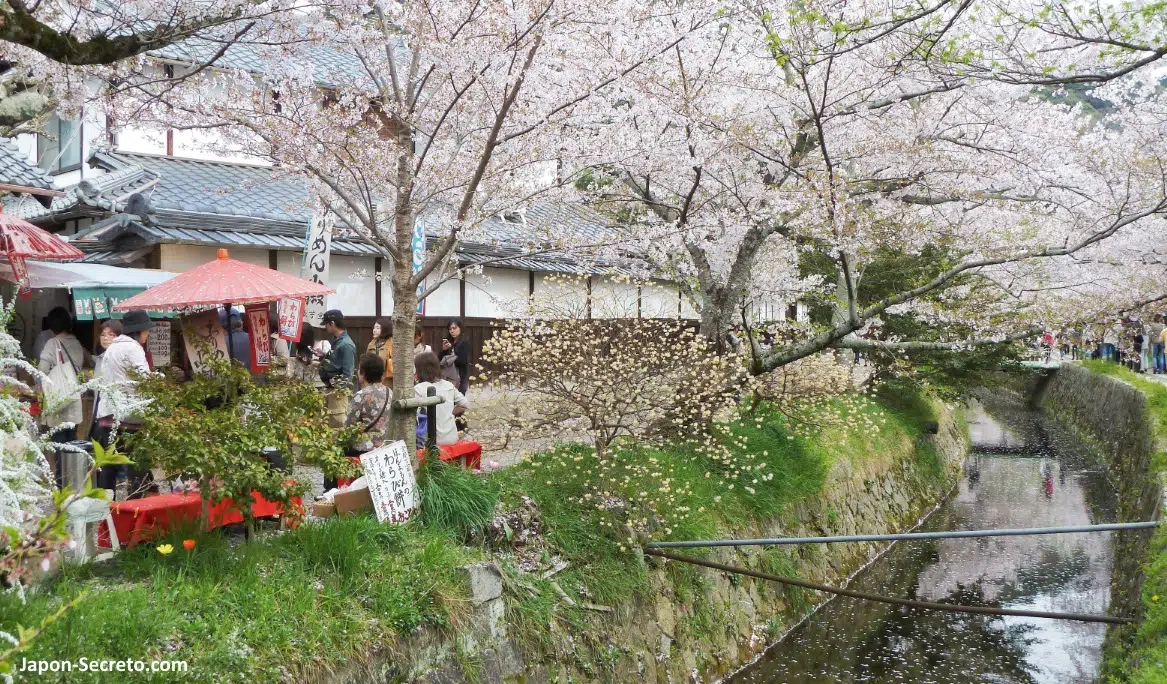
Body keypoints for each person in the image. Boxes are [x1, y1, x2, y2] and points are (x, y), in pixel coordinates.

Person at [93, 310, 154, 497]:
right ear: (140, 330)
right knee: (136, 467)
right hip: (129, 417)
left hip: (107, 416)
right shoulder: (133, 348)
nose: (148, 334)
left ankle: (104, 511)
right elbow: (144, 380)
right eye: (147, 330)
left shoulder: (112, 348)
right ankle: (136, 510)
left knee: (108, 467)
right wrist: (160, 378)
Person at [38, 306, 92, 444]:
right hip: (74, 397)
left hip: (58, 400)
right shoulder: (77, 343)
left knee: (58, 442)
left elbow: (41, 371)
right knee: (72, 441)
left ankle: (60, 466)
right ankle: (71, 466)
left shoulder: (52, 343)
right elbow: (90, 361)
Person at [414, 351, 468, 445]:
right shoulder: (448, 385)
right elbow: (465, 404)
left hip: (431, 441)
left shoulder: (418, 389)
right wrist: (450, 413)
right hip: (452, 437)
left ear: (419, 370)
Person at [345, 354, 390, 454]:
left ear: (363, 373)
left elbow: (349, 425)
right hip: (387, 445)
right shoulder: (390, 393)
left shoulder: (361, 395)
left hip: (363, 448)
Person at [318, 310, 356, 389]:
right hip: (331, 387)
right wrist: (324, 356)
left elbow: (348, 375)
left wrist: (339, 392)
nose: (325, 327)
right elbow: (335, 363)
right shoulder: (337, 341)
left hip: (338, 392)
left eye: (326, 324)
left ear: (332, 323)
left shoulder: (346, 345)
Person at [440, 319, 470, 395]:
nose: (452, 331)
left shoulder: (464, 342)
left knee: (459, 401)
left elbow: (462, 361)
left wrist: (452, 352)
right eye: (450, 329)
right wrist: (444, 350)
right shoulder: (449, 342)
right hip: (448, 377)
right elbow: (440, 360)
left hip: (460, 377)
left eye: (454, 328)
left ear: (460, 328)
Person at [366, 319, 394, 383]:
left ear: (386, 329)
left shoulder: (392, 344)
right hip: (372, 380)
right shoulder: (371, 344)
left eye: (377, 328)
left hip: (387, 380)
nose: (374, 330)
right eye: (374, 328)